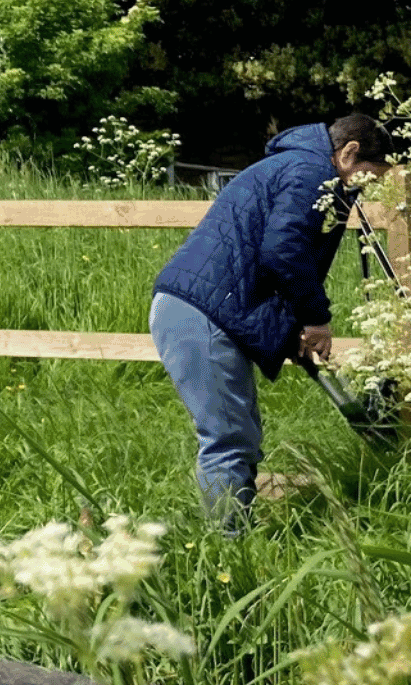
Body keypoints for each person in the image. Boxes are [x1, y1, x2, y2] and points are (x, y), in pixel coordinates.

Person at [150, 114, 393, 530]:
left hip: (201, 308)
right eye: (372, 175)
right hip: (201, 314)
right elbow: (283, 252)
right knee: (229, 441)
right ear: (349, 153)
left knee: (237, 435)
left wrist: (292, 326)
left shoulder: (300, 166)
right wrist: (316, 319)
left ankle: (230, 537)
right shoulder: (310, 171)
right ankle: (228, 551)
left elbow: (269, 261)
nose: (373, 186)